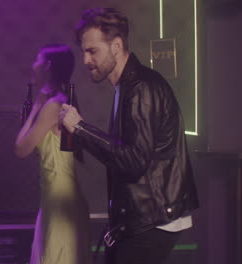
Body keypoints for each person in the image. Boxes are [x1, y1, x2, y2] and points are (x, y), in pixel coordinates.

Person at [60, 8, 199, 264]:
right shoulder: (126, 88)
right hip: (142, 217)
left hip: (154, 218)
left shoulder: (141, 88)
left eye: (92, 51)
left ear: (116, 46)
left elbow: (134, 161)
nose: (86, 60)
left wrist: (81, 128)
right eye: (83, 51)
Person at [15, 44, 91, 264]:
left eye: (37, 60)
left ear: (47, 66)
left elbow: (20, 149)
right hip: (55, 195)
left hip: (60, 198)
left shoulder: (53, 105)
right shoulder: (60, 100)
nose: (33, 65)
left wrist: (37, 108)